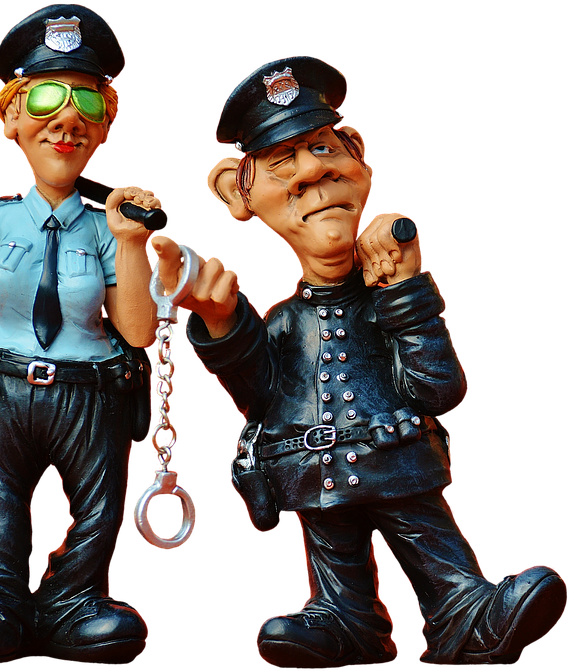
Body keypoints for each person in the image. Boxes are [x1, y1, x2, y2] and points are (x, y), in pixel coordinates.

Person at [151, 56, 567, 666]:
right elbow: (260, 396)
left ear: (360, 159)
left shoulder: (390, 294)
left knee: (426, 535)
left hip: (400, 461)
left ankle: (467, 613)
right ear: (237, 194)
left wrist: (406, 292)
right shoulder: (283, 322)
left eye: (323, 148)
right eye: (282, 163)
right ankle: (346, 621)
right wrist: (221, 322)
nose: (312, 171)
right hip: (314, 475)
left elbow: (439, 390)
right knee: (333, 552)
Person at [0, 5, 160, 664]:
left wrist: (132, 242)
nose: (67, 119)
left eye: (87, 102)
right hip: (0, 387)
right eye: (46, 98)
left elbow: (137, 330)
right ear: (12, 119)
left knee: (101, 506)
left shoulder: (107, 228)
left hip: (90, 390)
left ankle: (74, 601)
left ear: (105, 125)